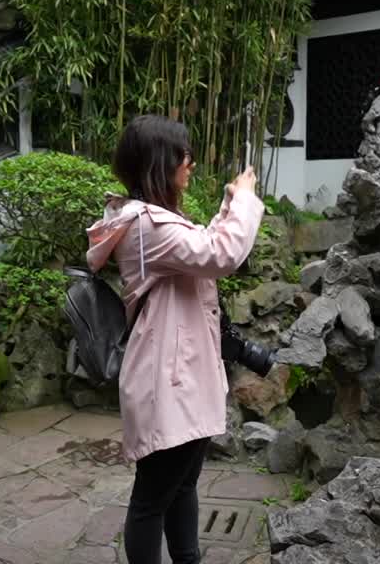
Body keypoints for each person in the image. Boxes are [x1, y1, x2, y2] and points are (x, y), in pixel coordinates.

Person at [85, 114, 264, 564]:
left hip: (181, 375)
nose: (191, 162)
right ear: (160, 163)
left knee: (181, 486)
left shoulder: (158, 222)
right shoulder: (147, 226)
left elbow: (202, 244)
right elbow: (220, 254)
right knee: (151, 499)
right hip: (168, 379)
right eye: (183, 154)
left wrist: (228, 204)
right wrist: (243, 200)